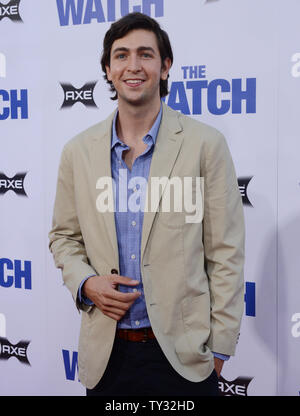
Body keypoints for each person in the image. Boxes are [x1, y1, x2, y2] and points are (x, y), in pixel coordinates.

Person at [49, 12, 245, 396]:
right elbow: (63, 238)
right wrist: (86, 282)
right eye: (121, 56)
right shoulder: (78, 152)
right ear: (108, 70)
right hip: (106, 356)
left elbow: (226, 251)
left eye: (145, 54)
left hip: (184, 358)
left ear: (165, 65)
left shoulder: (206, 145)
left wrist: (220, 345)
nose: (133, 66)